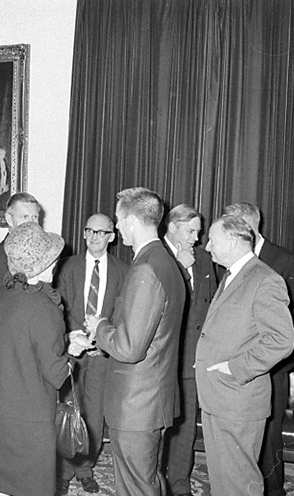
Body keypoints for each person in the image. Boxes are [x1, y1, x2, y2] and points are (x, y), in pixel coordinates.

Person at [0, 221, 90, 496]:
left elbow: (17, 343)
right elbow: (56, 374)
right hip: (26, 416)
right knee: (30, 487)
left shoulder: (1, 295)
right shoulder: (45, 307)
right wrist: (71, 353)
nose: (56, 264)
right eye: (52, 259)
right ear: (44, 265)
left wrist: (62, 342)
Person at [86, 187, 185, 496]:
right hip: (150, 399)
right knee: (148, 481)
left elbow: (129, 348)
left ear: (130, 221)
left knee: (136, 487)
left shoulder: (145, 268)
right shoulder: (166, 263)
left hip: (136, 404)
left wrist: (100, 326)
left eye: (117, 219)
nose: (116, 227)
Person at [195, 215, 294, 496]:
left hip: (239, 398)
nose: (207, 247)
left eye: (212, 240)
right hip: (218, 396)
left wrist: (235, 368)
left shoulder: (265, 279)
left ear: (231, 240)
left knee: (240, 483)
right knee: (222, 481)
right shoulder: (232, 275)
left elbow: (282, 340)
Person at [223, 202, 294, 496]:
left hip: (271, 366)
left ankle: (273, 491)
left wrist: (265, 355)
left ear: (249, 226)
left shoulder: (284, 260)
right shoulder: (228, 260)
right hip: (236, 364)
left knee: (269, 435)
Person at [55, 213, 128, 494]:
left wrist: (102, 341)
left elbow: (122, 314)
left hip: (101, 357)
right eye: (90, 231)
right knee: (66, 412)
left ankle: (85, 468)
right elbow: (58, 306)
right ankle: (63, 471)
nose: (95, 237)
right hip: (71, 355)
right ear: (84, 234)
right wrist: (75, 335)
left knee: (93, 415)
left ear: (112, 236)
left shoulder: (124, 271)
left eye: (102, 232)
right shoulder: (67, 267)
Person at [162, 204, 218, 496]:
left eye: (198, 230)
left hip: (193, 359)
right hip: (162, 359)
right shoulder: (156, 255)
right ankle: (155, 481)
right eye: (191, 230)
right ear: (172, 227)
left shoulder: (205, 260)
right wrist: (179, 268)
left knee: (185, 426)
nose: (197, 237)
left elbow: (210, 308)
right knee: (160, 425)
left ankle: (180, 483)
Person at [0, 192, 41, 303]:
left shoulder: (46, 253)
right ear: (9, 219)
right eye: (25, 217)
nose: (32, 223)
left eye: (35, 217)